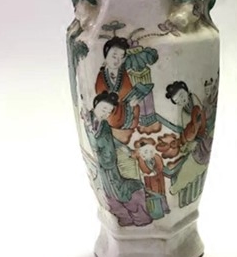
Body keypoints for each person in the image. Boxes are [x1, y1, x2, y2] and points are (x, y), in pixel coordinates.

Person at [84, 91, 152, 227]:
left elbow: (113, 140)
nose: (105, 114)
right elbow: (92, 144)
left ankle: (135, 219)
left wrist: (126, 149)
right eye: (104, 109)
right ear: (96, 104)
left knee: (119, 189)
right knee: (112, 192)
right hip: (103, 165)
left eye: (109, 112)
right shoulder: (88, 122)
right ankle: (124, 220)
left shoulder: (104, 124)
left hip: (111, 163)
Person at [164, 81, 212, 206]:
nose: (181, 100)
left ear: (186, 90)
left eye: (181, 95)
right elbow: (186, 131)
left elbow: (194, 128)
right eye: (177, 101)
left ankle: (177, 187)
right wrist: (183, 143)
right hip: (196, 138)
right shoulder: (184, 111)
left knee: (192, 164)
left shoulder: (195, 103)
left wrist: (189, 140)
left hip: (205, 135)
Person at [132, 138, 170, 216]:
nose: (148, 153)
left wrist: (154, 172)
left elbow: (160, 166)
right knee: (152, 194)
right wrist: (148, 173)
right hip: (149, 180)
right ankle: (155, 210)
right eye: (145, 152)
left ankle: (165, 208)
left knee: (161, 194)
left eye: (149, 151)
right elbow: (144, 169)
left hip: (158, 179)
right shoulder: (142, 160)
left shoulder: (156, 157)